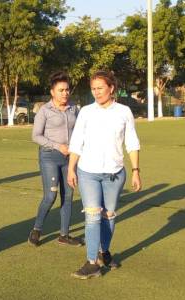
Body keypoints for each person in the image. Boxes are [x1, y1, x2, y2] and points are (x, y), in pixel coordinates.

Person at [67, 70, 141, 279]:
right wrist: (71, 168)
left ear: (111, 88)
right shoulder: (86, 112)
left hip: (115, 174)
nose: (96, 92)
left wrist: (135, 171)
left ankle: (103, 252)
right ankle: (92, 263)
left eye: (100, 88)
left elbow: (132, 142)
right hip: (88, 172)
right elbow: (77, 142)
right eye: (93, 89)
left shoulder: (124, 112)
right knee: (92, 217)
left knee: (108, 216)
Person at [28, 72, 83, 247]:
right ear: (52, 92)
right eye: (61, 90)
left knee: (68, 195)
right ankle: (36, 230)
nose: (65, 93)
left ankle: (64, 235)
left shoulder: (75, 109)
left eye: (67, 90)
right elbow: (36, 136)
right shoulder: (44, 110)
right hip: (50, 157)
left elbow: (81, 131)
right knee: (50, 195)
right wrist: (58, 146)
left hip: (70, 159)